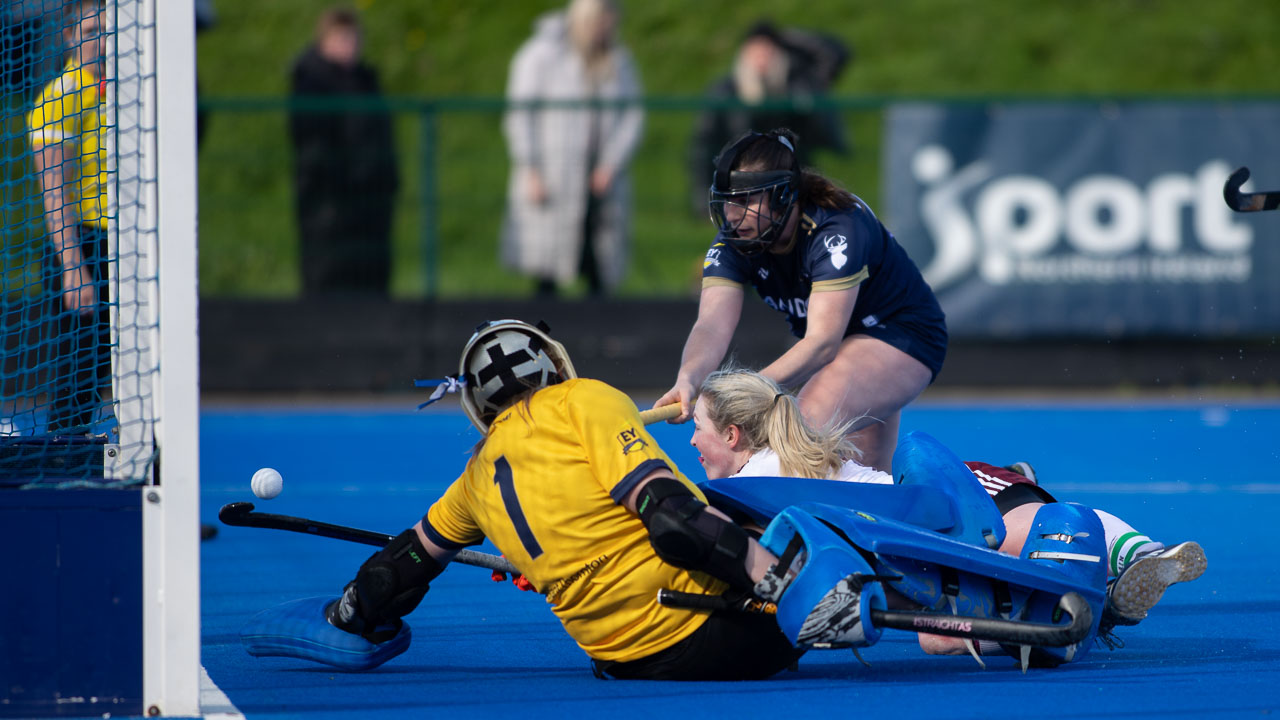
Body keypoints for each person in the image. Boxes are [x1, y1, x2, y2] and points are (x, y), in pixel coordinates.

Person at [689, 368, 1208, 654]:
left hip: (927, 526)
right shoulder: (773, 467)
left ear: (733, 434)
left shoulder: (760, 477)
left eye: (699, 429)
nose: (691, 441)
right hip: (910, 533)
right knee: (941, 637)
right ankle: (1109, 588)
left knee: (998, 516)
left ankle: (1128, 557)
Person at [657, 127, 947, 474]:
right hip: (843, 342)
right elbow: (711, 324)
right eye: (728, 201)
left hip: (900, 335)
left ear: (783, 197)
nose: (733, 216)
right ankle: (1000, 483)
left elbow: (822, 343)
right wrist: (688, 378)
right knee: (866, 480)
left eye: (746, 201)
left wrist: (745, 393)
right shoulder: (737, 238)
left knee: (802, 428)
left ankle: (998, 486)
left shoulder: (837, 230)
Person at [500, 0, 644, 297]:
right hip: (553, 176)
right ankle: (540, 339)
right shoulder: (540, 55)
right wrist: (531, 168)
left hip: (600, 181)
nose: (604, 29)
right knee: (546, 267)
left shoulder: (618, 60)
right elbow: (520, 115)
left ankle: (599, 336)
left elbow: (632, 115)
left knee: (598, 262)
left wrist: (610, 163)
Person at [27, 0, 109, 435]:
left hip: (123, 245)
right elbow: (54, 191)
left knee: (112, 366)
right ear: (70, 37)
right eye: (91, 30)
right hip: (85, 244)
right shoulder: (61, 97)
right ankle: (65, 455)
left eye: (106, 31)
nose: (101, 41)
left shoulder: (119, 94)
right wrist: (74, 267)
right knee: (80, 370)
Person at [288, 6, 399, 296]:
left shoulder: (366, 80)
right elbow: (312, 143)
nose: (349, 46)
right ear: (324, 40)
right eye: (341, 39)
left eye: (353, 39)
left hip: (370, 198)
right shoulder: (311, 83)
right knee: (329, 278)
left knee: (370, 280)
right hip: (331, 201)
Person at [689, 21, 850, 215]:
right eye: (756, 50)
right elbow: (704, 144)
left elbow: (835, 54)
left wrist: (786, 37)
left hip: (789, 186)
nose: (762, 58)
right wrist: (704, 195)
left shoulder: (796, 84)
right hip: (740, 187)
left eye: (768, 51)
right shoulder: (727, 91)